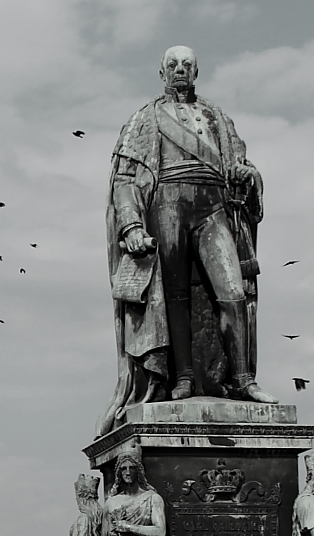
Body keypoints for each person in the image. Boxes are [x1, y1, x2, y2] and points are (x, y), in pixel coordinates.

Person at [97, 45, 275, 437]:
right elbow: (125, 181)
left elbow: (239, 163)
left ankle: (243, 379)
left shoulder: (218, 118)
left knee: (233, 293)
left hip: (213, 205)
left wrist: (247, 175)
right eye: (173, 65)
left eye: (187, 65)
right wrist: (130, 227)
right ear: (162, 73)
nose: (180, 70)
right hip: (168, 203)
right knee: (174, 294)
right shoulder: (144, 119)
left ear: (197, 71)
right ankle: (183, 377)